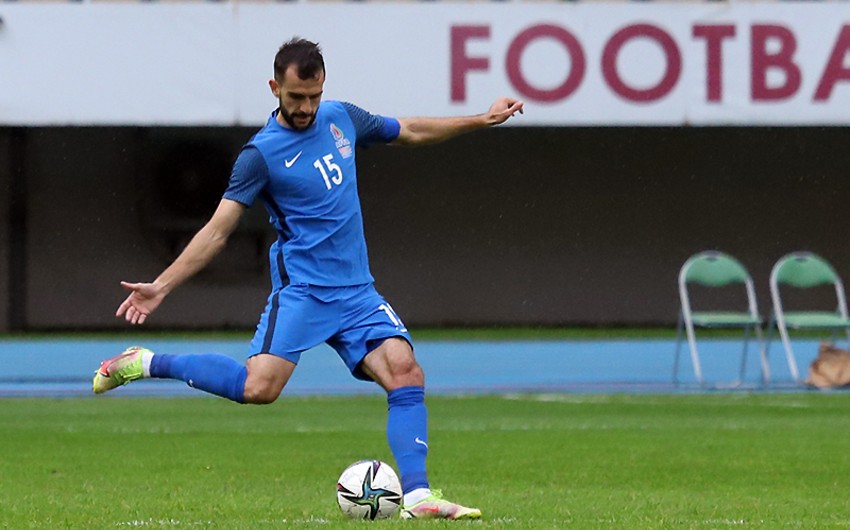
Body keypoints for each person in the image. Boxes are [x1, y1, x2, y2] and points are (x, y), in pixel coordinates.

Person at [93, 37, 523, 520]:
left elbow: (410, 130)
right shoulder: (260, 155)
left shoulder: (341, 118)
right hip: (304, 292)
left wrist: (481, 119)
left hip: (357, 291)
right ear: (274, 87)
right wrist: (162, 285)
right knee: (259, 388)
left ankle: (418, 496)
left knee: (406, 370)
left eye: (314, 96)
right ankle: (147, 362)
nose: (305, 107)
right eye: (296, 97)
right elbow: (217, 231)